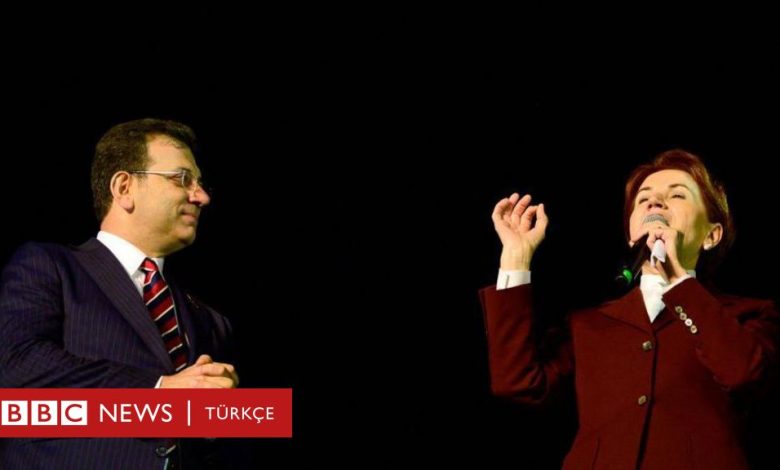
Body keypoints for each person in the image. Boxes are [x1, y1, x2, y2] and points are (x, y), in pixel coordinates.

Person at [480, 149, 780, 469]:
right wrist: (515, 257)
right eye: (644, 198)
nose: (655, 203)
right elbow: (518, 382)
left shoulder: (748, 315)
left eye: (677, 195)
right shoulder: (588, 324)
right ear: (629, 234)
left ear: (711, 235)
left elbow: (744, 374)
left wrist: (678, 280)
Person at [0, 118, 239, 469]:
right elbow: (17, 365)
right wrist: (158, 390)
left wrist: (222, 415)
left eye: (200, 183)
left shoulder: (210, 321)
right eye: (182, 178)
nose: (201, 196)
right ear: (124, 187)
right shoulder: (50, 266)